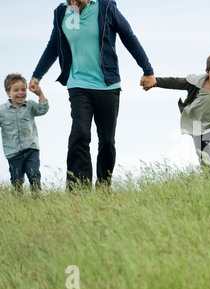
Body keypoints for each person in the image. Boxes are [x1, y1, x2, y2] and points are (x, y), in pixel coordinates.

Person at [30, 0, 157, 190]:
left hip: (108, 85)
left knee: (106, 141)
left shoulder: (106, 8)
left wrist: (147, 70)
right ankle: (79, 189)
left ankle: (104, 186)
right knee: (79, 134)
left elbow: (128, 36)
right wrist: (37, 75)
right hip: (78, 84)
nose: (72, 2)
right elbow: (53, 46)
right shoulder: (61, 12)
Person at [0, 74, 49, 193]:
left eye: (23, 89)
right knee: (16, 180)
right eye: (16, 90)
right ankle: (18, 202)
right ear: (8, 93)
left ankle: (37, 198)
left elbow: (43, 109)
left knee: (34, 174)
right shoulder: (2, 111)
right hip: (13, 153)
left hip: (31, 149)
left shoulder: (30, 105)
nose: (20, 92)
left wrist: (40, 94)